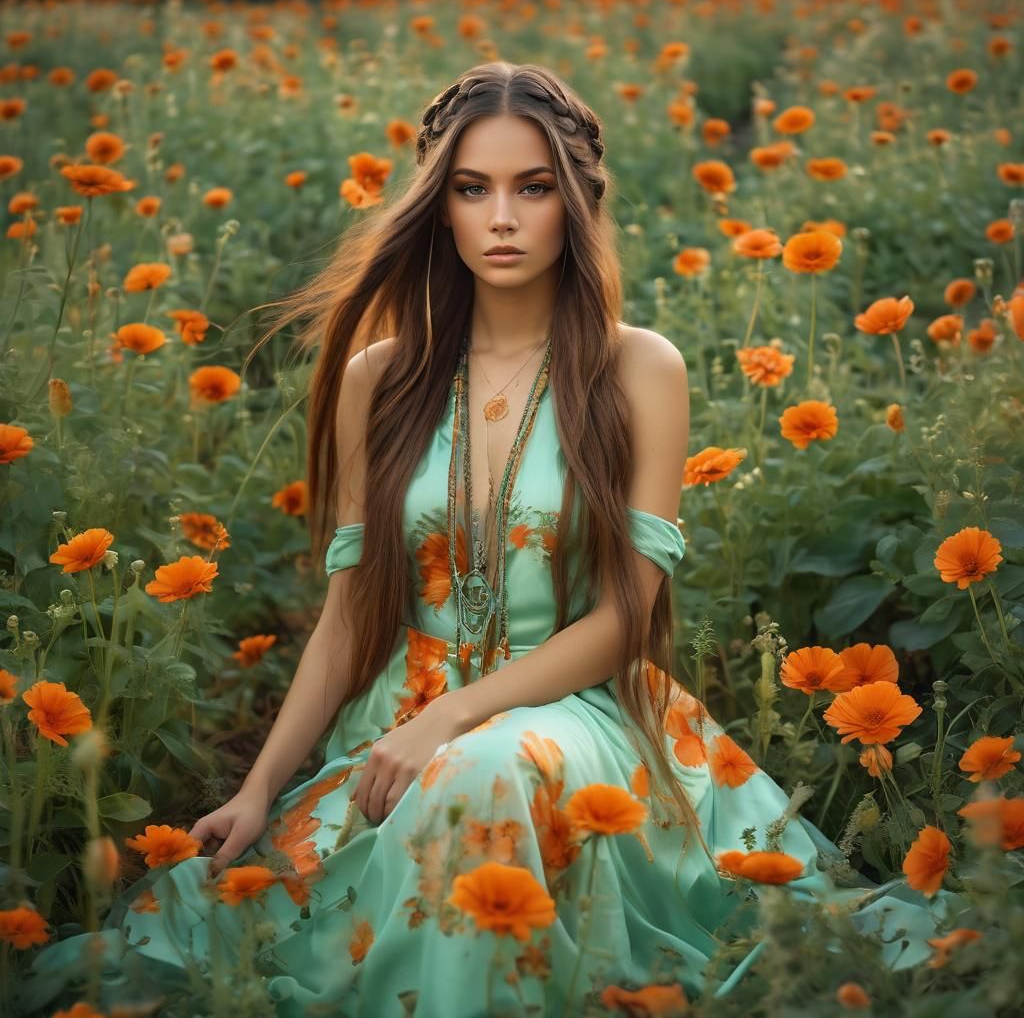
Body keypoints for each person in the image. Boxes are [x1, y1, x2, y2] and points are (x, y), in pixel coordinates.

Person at [22, 61, 958, 1018]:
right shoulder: (380, 378)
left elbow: (629, 614)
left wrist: (453, 718)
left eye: (533, 187)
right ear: (441, 208)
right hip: (398, 721)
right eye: (473, 189)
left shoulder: (641, 368)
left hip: (580, 712)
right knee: (244, 933)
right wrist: (261, 788)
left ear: (576, 201)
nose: (502, 216)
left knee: (481, 764)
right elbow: (348, 618)